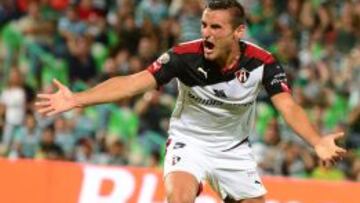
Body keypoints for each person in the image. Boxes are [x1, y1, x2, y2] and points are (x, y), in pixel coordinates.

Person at [35, 0, 346, 202]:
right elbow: (133, 83)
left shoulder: (263, 63)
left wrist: (317, 141)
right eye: (203, 25)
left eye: (216, 27)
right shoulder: (183, 56)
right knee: (178, 197)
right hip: (189, 142)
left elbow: (288, 106)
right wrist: (78, 99)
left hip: (233, 150)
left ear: (238, 31)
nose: (206, 33)